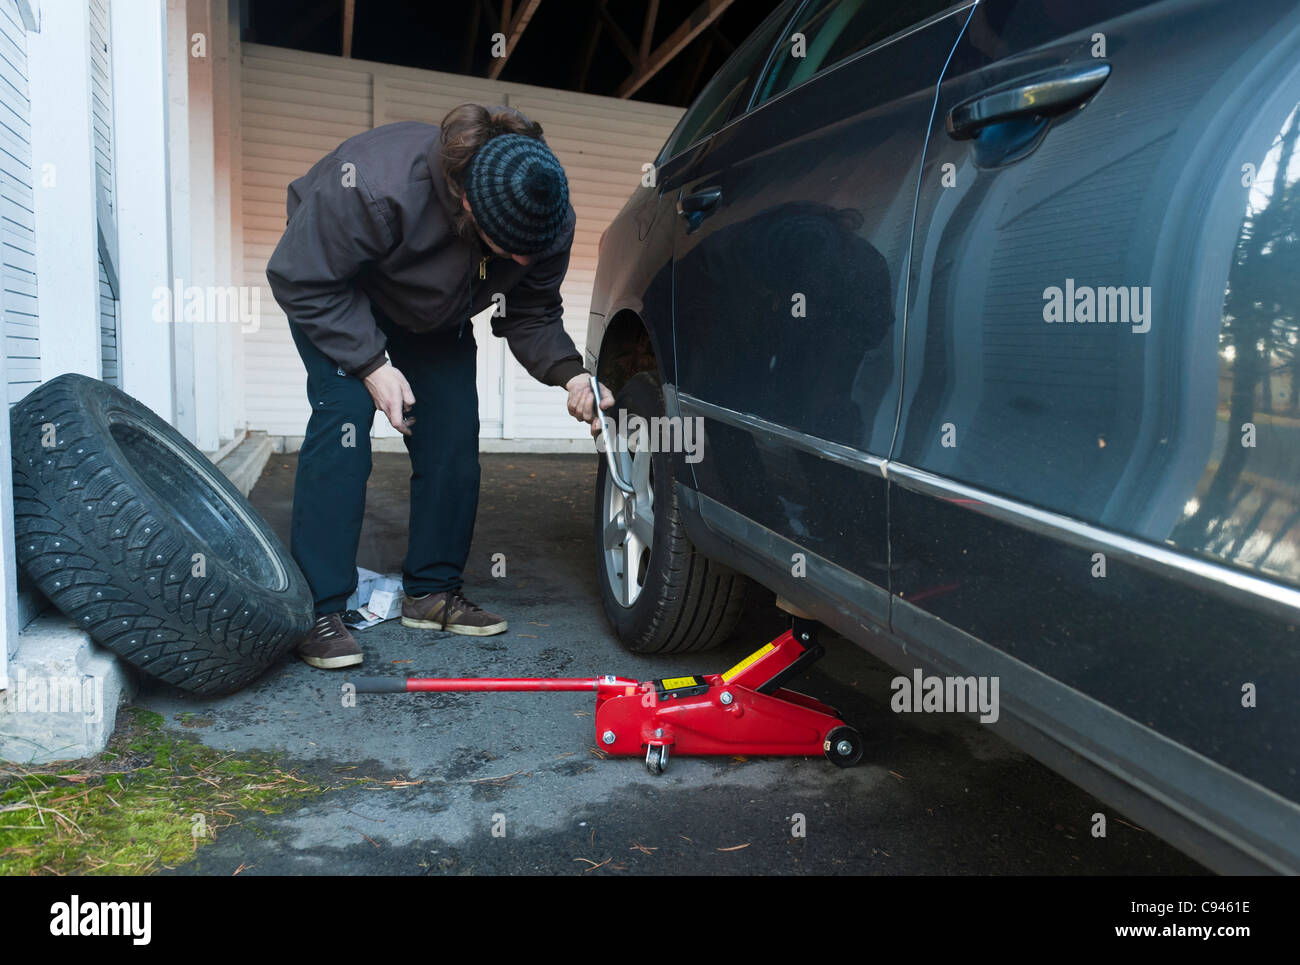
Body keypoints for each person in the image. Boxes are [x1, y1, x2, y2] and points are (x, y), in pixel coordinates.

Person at [266, 104, 612, 670]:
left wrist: (572, 375)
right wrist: (372, 365)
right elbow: (299, 276)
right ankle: (319, 607)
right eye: (510, 249)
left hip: (433, 316)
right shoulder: (373, 184)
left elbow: (530, 313)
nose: (524, 260)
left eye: (533, 251)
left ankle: (430, 592)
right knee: (345, 420)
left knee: (452, 436)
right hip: (336, 295)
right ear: (469, 202)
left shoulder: (541, 214)